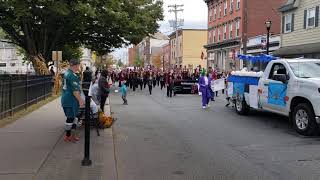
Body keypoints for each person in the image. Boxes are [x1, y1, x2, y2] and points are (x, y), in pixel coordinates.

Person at [61, 59, 83, 142]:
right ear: (75, 65)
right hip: (71, 100)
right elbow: (75, 91)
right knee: (70, 118)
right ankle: (68, 136)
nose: (79, 67)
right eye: (78, 65)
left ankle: (72, 135)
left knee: (75, 117)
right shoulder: (72, 75)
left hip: (67, 99)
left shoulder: (67, 73)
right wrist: (80, 100)